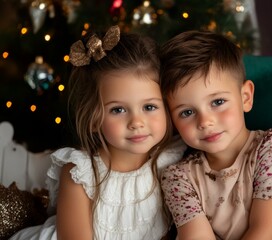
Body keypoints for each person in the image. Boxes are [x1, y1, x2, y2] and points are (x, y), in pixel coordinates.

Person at [10, 25, 186, 240]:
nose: (137, 122)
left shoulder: (172, 160)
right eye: (118, 110)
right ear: (93, 119)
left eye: (149, 107)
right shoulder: (81, 173)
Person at [159, 30, 272, 240]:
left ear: (245, 97)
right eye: (187, 112)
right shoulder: (178, 178)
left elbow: (267, 232)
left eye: (218, 102)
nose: (205, 122)